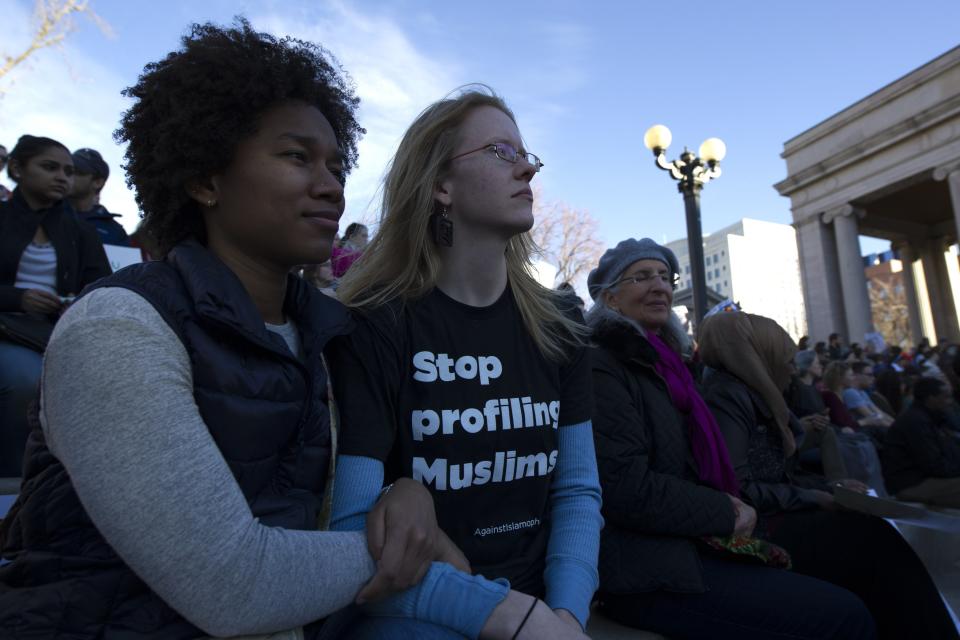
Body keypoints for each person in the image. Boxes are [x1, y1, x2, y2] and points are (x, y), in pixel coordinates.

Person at [0, 23, 546, 640]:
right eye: (296, 157)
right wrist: (441, 569)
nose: (332, 185)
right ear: (205, 178)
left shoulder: (332, 335)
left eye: (337, 164)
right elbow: (231, 582)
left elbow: (344, 508)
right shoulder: (119, 329)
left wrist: (402, 490)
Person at [327, 87, 601, 638]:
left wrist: (565, 616)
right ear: (440, 186)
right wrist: (509, 618)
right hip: (421, 608)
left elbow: (576, 492)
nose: (526, 168)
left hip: (547, 608)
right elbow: (351, 527)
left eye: (528, 155)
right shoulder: (376, 323)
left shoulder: (559, 323)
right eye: (501, 152)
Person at [585, 238, 874, 640]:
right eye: (641, 277)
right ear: (611, 299)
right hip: (645, 569)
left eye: (666, 277)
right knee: (845, 616)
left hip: (692, 541)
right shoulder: (604, 366)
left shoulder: (670, 366)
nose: (660, 286)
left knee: (868, 549)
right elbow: (624, 486)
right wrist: (722, 510)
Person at [699, 312, 959, 640]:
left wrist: (830, 486)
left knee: (876, 539)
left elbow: (779, 474)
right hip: (761, 528)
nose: (793, 369)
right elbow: (741, 488)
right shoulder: (727, 396)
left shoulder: (748, 393)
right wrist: (819, 496)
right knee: (874, 545)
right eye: (786, 360)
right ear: (758, 353)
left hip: (779, 514)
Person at [0, 134, 111, 478]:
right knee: (26, 381)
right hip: (7, 328)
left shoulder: (82, 233)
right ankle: (13, 482)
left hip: (57, 332)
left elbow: (102, 289)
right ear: (17, 168)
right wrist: (18, 298)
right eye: (49, 167)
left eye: (68, 170)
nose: (62, 177)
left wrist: (75, 304)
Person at [787, 351, 886, 494]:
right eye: (817, 363)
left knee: (861, 443)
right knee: (856, 446)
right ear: (808, 367)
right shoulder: (800, 391)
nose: (821, 366)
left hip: (824, 432)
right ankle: (853, 489)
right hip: (810, 436)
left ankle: (866, 490)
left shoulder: (814, 391)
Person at [883, 376, 960, 507]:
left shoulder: (929, 418)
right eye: (946, 397)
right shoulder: (916, 423)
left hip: (922, 479)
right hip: (911, 484)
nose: (950, 402)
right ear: (931, 398)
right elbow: (934, 465)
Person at [69, 147, 131, 246]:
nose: (68, 175)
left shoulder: (115, 231)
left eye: (78, 172)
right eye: (68, 169)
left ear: (98, 182)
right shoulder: (45, 210)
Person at [843, 361, 894, 428]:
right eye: (869, 375)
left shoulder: (862, 392)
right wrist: (896, 429)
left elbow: (879, 413)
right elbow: (873, 417)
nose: (873, 378)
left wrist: (896, 424)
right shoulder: (850, 392)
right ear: (857, 375)